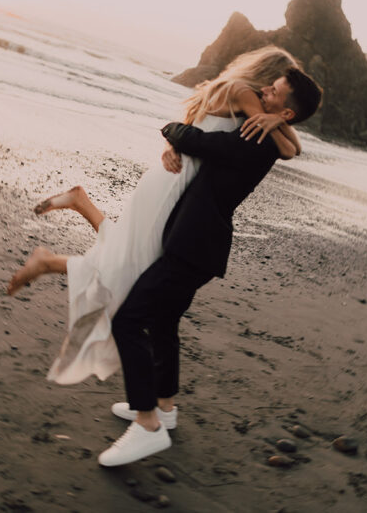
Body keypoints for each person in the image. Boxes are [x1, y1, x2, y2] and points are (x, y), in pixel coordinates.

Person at [7, 47, 304, 386]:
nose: (269, 94)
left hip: (174, 183)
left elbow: (197, 130)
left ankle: (77, 210)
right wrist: (281, 120)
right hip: (173, 187)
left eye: (276, 93)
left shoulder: (235, 89)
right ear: (266, 77)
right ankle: (48, 260)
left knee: (129, 254)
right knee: (128, 265)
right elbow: (286, 149)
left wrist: (279, 119)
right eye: (274, 86)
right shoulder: (244, 93)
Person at [95, 66, 322, 466]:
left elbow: (197, 140)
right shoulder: (267, 134)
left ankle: (148, 426)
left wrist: (170, 131)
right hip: (197, 246)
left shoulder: (256, 141)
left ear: (285, 113)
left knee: (127, 320)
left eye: (273, 92)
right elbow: (209, 142)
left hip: (193, 249)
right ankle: (164, 409)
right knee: (164, 324)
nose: (264, 92)